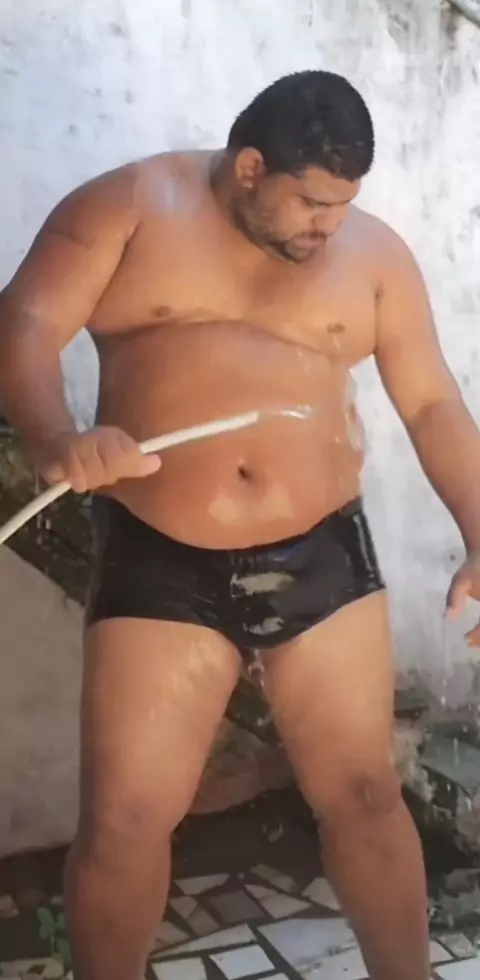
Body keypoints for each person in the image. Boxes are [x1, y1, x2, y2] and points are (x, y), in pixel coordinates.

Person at [1, 70, 479, 980]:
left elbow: (431, 401)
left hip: (321, 551)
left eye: (343, 206)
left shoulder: (373, 258)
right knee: (123, 820)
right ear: (252, 167)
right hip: (160, 556)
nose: (327, 227)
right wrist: (57, 440)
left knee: (365, 794)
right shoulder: (127, 211)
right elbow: (23, 323)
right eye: (312, 203)